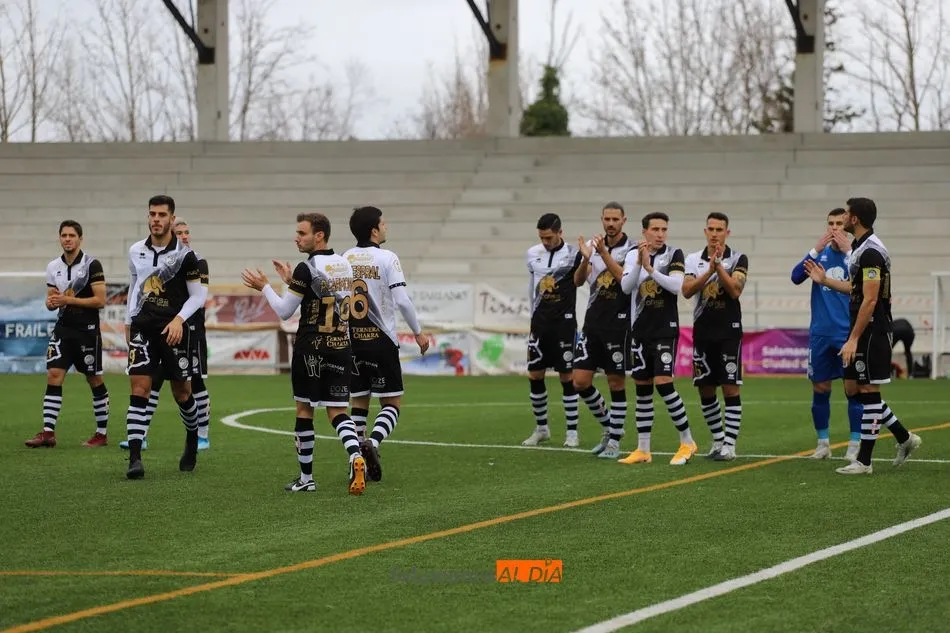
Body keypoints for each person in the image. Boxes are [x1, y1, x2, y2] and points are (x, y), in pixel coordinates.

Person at [242, 212, 366, 494]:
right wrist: (292, 282)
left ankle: (306, 478)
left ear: (319, 235)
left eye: (302, 233)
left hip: (311, 348)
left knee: (304, 410)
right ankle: (355, 454)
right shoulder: (345, 265)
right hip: (340, 346)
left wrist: (265, 287)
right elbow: (325, 296)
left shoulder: (306, 268)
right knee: (338, 411)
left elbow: (285, 311)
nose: (296, 238)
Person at [803, 197, 921, 475]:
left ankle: (864, 461)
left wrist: (854, 337)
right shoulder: (860, 248)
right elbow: (856, 289)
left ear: (854, 218)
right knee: (855, 389)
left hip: (872, 329)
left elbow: (870, 299)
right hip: (863, 328)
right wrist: (825, 280)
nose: (843, 217)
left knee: (868, 391)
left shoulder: (870, 252)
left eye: (846, 213)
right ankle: (904, 437)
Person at [340, 205, 429, 483]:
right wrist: (418, 332)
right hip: (381, 340)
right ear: (374, 230)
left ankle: (358, 460)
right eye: (383, 223)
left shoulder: (344, 258)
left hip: (353, 340)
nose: (386, 226)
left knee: (359, 402)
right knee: (391, 403)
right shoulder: (387, 257)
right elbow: (402, 300)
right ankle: (373, 443)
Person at [123, 195, 208, 479]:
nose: (156, 219)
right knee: (139, 390)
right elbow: (135, 286)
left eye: (161, 215)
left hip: (174, 331)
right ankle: (135, 458)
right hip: (143, 328)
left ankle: (192, 438)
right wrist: (128, 321)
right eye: (152, 214)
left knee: (182, 393)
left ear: (172, 219)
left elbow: (198, 297)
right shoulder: (136, 250)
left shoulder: (186, 256)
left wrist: (178, 320)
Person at [618, 212, 697, 466]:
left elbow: (676, 287)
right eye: (655, 229)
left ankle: (687, 441)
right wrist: (639, 263)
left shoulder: (674, 254)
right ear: (644, 231)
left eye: (664, 229)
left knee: (664, 383)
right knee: (642, 387)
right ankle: (643, 449)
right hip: (640, 329)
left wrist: (650, 268)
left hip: (664, 328)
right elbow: (626, 287)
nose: (660, 234)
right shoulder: (632, 254)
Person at [25, 221, 110, 448]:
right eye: (64, 235)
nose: (67, 239)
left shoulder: (92, 265)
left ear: (80, 238)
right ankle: (48, 432)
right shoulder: (53, 266)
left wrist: (67, 300)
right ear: (59, 238)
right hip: (63, 329)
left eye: (72, 235)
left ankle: (101, 434)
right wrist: (51, 303)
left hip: (87, 331)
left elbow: (100, 300)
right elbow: (51, 299)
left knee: (94, 379)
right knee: (54, 374)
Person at [791, 208, 862, 460]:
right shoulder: (819, 256)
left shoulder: (856, 255)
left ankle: (855, 444)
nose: (834, 228)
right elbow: (795, 277)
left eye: (839, 224)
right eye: (830, 223)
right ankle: (823, 444)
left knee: (852, 390)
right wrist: (814, 249)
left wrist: (848, 252)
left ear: (848, 227)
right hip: (820, 334)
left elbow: (863, 285)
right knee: (820, 388)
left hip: (846, 335)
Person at [682, 212, 749, 461]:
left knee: (730, 388)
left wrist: (718, 266)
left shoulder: (738, 258)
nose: (714, 234)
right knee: (705, 389)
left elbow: (735, 290)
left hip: (729, 332)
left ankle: (730, 445)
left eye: (719, 230)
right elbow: (687, 290)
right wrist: (708, 269)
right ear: (705, 231)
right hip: (703, 332)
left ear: (727, 233)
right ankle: (718, 440)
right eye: (710, 229)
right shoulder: (692, 259)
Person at [572, 202, 633, 459]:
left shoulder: (632, 249)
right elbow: (577, 281)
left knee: (615, 382)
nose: (610, 223)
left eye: (615, 219)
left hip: (618, 325)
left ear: (623, 221)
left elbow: (625, 280)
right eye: (607, 219)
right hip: (592, 323)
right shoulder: (592, 247)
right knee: (580, 381)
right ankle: (610, 427)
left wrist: (603, 253)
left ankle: (614, 442)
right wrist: (586, 258)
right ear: (602, 219)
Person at [522, 213, 583, 448]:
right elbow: (531, 286)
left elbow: (580, 281)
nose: (545, 242)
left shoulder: (573, 254)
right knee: (535, 374)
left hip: (564, 324)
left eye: (549, 237)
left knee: (567, 377)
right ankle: (541, 429)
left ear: (560, 233)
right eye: (542, 238)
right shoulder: (532, 253)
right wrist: (532, 316)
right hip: (539, 324)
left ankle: (572, 432)